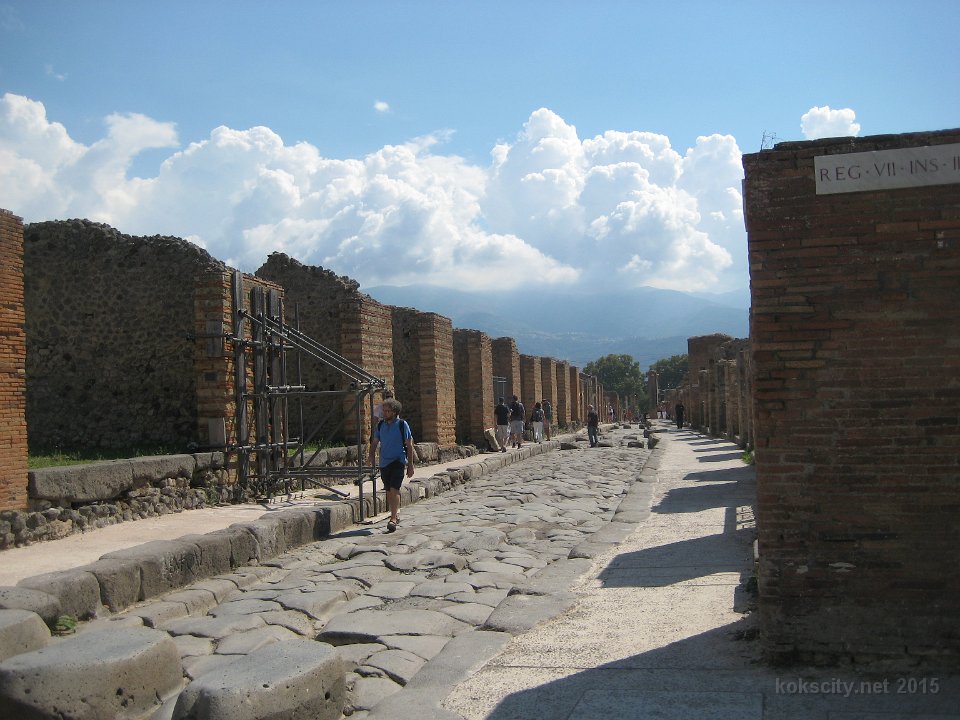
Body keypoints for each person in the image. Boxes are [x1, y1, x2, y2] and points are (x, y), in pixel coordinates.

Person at [367, 398, 414, 532]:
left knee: (394, 489)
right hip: (384, 462)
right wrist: (371, 455)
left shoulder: (402, 424)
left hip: (398, 461)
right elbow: (375, 442)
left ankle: (393, 518)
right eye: (384, 411)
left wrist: (410, 465)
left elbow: (409, 445)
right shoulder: (380, 425)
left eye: (388, 411)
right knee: (388, 490)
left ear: (394, 412)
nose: (385, 413)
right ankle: (395, 513)